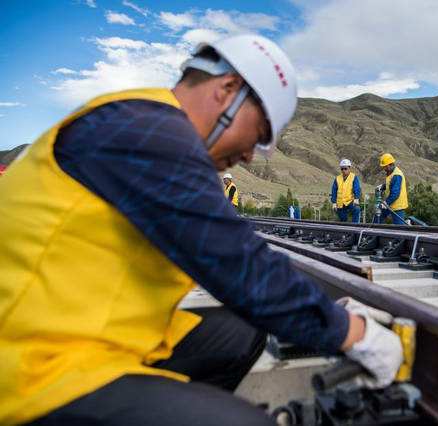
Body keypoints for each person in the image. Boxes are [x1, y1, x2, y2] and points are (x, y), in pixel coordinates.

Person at [0, 35, 402, 425]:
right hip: (30, 366)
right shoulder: (146, 131)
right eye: (259, 136)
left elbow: (236, 260)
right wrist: (351, 332)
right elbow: (238, 264)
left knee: (240, 333)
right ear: (228, 89)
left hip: (96, 334)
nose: (248, 155)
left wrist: (324, 314)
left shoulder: (145, 125)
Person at [375, 153, 409, 225]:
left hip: (397, 205)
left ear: (389, 165)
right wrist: (383, 186)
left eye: (384, 167)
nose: (384, 169)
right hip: (390, 203)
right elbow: (390, 184)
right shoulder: (391, 173)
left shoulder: (396, 175)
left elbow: (395, 193)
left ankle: (409, 222)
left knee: (399, 229)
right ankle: (378, 234)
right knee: (378, 216)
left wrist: (386, 203)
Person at [330, 158, 361, 223]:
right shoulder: (337, 179)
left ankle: (354, 227)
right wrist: (334, 203)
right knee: (343, 219)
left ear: (349, 168)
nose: (343, 170)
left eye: (345, 168)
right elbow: (334, 191)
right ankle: (345, 230)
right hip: (340, 203)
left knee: (356, 209)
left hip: (350, 201)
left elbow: (357, 188)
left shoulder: (353, 177)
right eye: (342, 169)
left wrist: (356, 198)